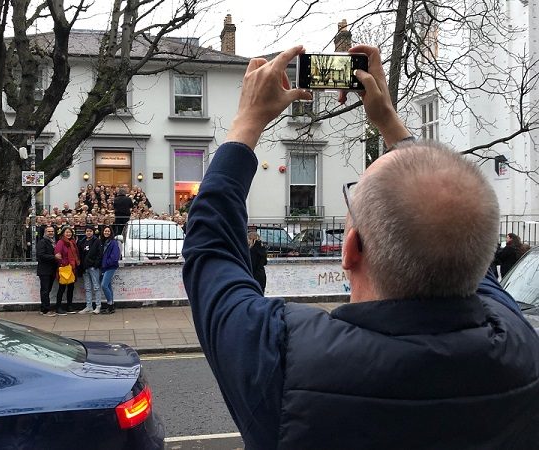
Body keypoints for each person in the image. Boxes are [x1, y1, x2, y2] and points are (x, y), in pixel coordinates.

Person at [181, 45, 539, 449]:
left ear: (350, 248)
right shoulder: (519, 346)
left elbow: (210, 253)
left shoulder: (284, 361)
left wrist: (246, 121)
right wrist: (388, 120)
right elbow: (211, 250)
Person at [54, 226, 80, 315]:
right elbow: (57, 255)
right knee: (62, 288)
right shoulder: (60, 242)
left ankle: (69, 306)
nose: (68, 234)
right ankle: (58, 307)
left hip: (72, 267)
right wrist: (63, 263)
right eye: (67, 232)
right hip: (64, 267)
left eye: (70, 232)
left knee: (71, 288)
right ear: (63, 233)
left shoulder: (72, 242)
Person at [77, 225, 103, 314]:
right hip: (85, 268)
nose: (89, 232)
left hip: (93, 267)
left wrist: (95, 265)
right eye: (87, 231)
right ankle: (89, 306)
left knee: (96, 286)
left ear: (93, 232)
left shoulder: (97, 241)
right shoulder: (82, 241)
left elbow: (100, 254)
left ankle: (98, 306)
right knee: (87, 288)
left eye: (90, 231)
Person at [36, 226, 59, 316]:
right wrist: (54, 257)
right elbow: (41, 255)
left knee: (47, 290)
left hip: (51, 270)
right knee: (45, 290)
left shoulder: (53, 242)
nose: (51, 233)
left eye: (52, 231)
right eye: (49, 231)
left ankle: (43, 308)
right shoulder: (42, 242)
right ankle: (46, 310)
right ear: (45, 232)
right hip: (44, 270)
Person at [100, 225, 120, 314]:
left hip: (110, 266)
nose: (106, 232)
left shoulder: (113, 242)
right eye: (105, 231)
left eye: (108, 231)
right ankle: (111, 306)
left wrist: (106, 263)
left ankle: (110, 304)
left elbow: (115, 256)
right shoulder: (104, 242)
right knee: (108, 286)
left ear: (111, 232)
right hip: (105, 266)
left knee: (104, 285)